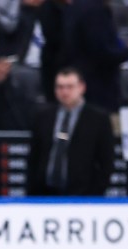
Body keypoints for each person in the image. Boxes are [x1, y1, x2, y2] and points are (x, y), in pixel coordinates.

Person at [27, 67, 115, 196]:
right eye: (60, 87)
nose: (65, 92)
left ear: (81, 87)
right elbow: (34, 157)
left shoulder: (98, 119)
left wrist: (95, 194)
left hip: (83, 196)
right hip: (45, 194)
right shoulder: (43, 117)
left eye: (70, 87)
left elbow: (106, 161)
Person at [61, 0, 128, 114]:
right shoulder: (95, 11)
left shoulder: (75, 6)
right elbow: (102, 52)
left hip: (81, 78)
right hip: (99, 87)